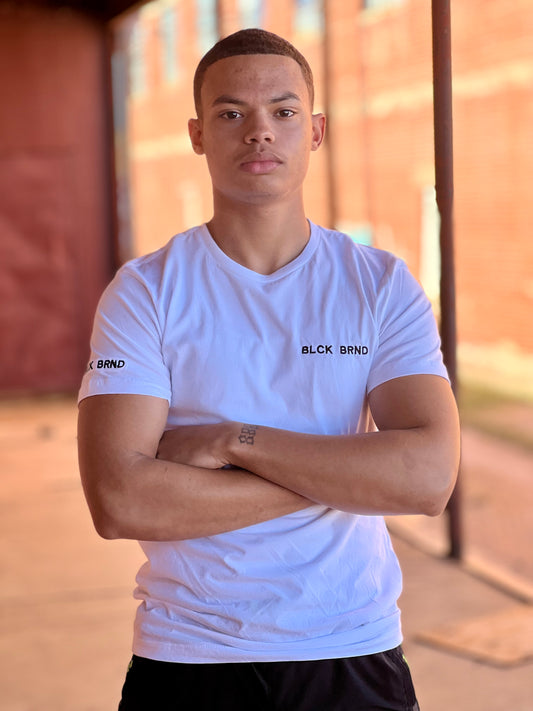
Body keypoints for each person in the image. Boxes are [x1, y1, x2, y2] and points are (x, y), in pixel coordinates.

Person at [77, 28, 460, 711]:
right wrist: (349, 477)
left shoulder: (377, 284)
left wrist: (235, 442)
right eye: (231, 114)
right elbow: (120, 500)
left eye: (282, 112)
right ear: (197, 134)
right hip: (188, 653)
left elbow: (428, 478)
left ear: (314, 131)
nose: (259, 132)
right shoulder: (145, 291)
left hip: (349, 647)